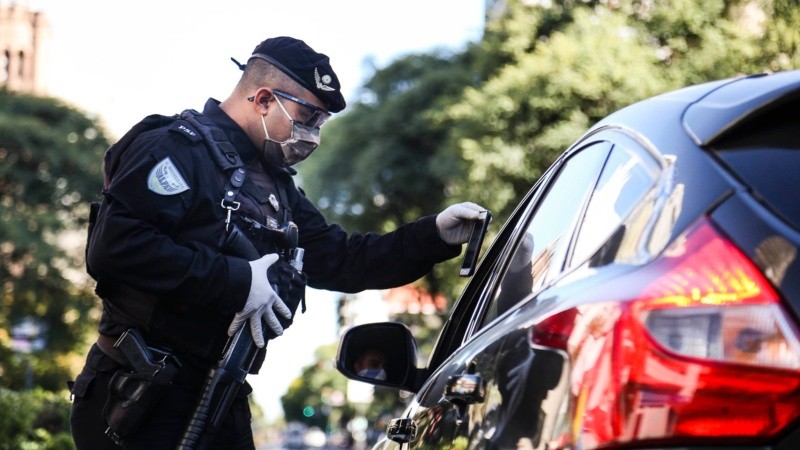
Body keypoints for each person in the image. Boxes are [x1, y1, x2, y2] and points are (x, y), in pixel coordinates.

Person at [69, 36, 487, 450]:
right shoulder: (176, 148)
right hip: (138, 397)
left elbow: (342, 258)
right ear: (264, 99)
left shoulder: (275, 187)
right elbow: (116, 247)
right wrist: (237, 281)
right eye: (306, 118)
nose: (312, 137)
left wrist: (433, 235)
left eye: (320, 124)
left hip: (219, 393)